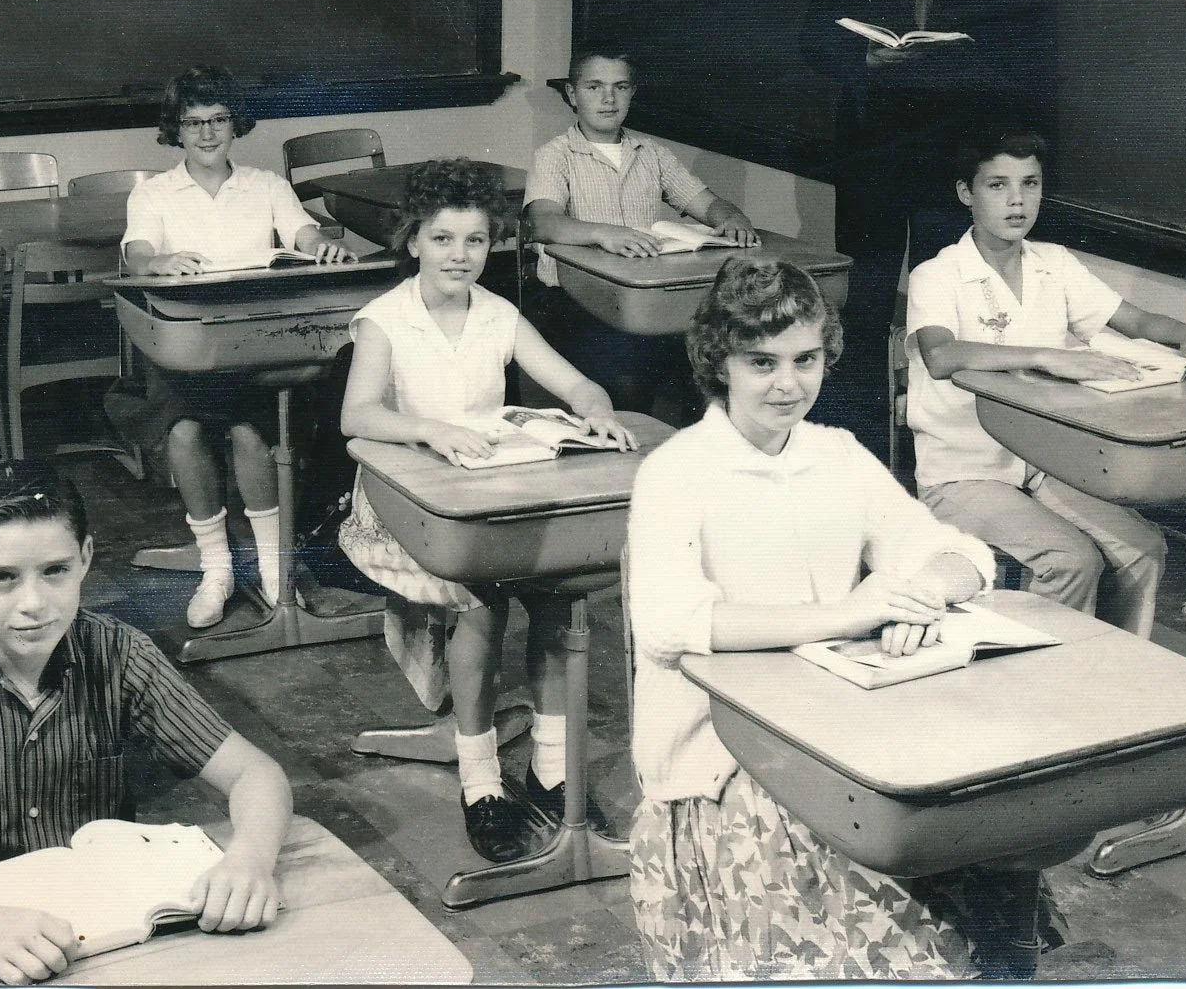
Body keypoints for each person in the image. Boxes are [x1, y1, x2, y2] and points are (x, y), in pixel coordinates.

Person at [624, 253, 1056, 980]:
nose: (787, 384)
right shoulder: (676, 470)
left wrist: (928, 591)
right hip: (724, 754)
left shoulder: (837, 454)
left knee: (986, 806)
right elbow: (670, 623)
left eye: (805, 359)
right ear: (718, 362)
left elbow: (957, 549)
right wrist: (846, 612)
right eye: (761, 362)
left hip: (834, 719)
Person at [0, 461, 293, 987]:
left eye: (55, 571)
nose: (33, 604)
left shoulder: (120, 653)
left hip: (100, 942)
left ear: (86, 558)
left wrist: (250, 859)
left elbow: (256, 774)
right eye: (3, 577)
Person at [338, 157, 639, 862]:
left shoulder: (499, 314)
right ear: (413, 241)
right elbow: (357, 417)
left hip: (493, 495)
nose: (460, 256)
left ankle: (549, 768)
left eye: (475, 242)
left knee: (559, 599)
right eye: (443, 240)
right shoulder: (384, 321)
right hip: (408, 500)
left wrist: (595, 409)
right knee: (480, 608)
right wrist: (430, 429)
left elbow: (573, 381)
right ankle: (479, 779)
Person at [907, 125, 1186, 637]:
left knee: (1143, 550)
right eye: (997, 186)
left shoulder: (1055, 265)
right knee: (1070, 559)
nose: (1017, 201)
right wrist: (1051, 357)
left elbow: (1135, 320)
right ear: (965, 193)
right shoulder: (938, 274)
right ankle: (1043, 687)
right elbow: (941, 354)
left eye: (1031, 184)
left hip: (1045, 462)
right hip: (963, 473)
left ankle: (1113, 664)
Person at [799, 0, 1057, 458]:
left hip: (960, 165)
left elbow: (1034, 57)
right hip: (872, 158)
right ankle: (857, 452)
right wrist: (864, 56)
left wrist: (960, 68)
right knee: (860, 310)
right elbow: (813, 38)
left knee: (955, 311)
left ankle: (945, 457)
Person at [120, 65, 355, 628]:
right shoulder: (153, 192)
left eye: (219, 120)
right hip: (187, 349)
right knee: (184, 432)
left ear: (235, 125)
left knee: (253, 434)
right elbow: (136, 255)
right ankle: (217, 567)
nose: (207, 133)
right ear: (175, 130)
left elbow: (303, 233)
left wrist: (320, 245)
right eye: (194, 122)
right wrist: (158, 262)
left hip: (256, 348)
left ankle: (276, 568)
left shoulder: (267, 185)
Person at [523, 47, 759, 423]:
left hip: (647, 305)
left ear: (633, 93)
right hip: (576, 303)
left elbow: (708, 204)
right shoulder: (555, 155)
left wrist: (732, 217)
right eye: (594, 87)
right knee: (628, 383)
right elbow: (544, 222)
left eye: (620, 87)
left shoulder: (652, 154)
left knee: (714, 367)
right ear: (572, 94)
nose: (608, 98)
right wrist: (605, 233)